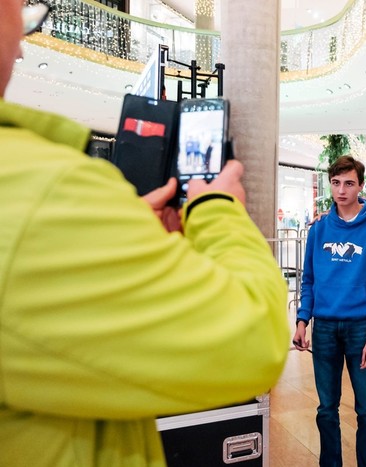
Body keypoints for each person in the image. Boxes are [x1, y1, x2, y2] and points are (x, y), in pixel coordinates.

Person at [1, 2, 289, 466]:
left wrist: (117, 223)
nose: (20, 47)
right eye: (23, 13)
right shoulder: (36, 190)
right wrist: (218, 210)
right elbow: (255, 342)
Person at [293, 155, 366, 467]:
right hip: (324, 327)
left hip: (361, 328)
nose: (341, 190)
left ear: (361, 186)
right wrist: (302, 320)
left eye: (349, 183)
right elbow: (309, 279)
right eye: (336, 183)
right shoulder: (319, 229)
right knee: (326, 408)